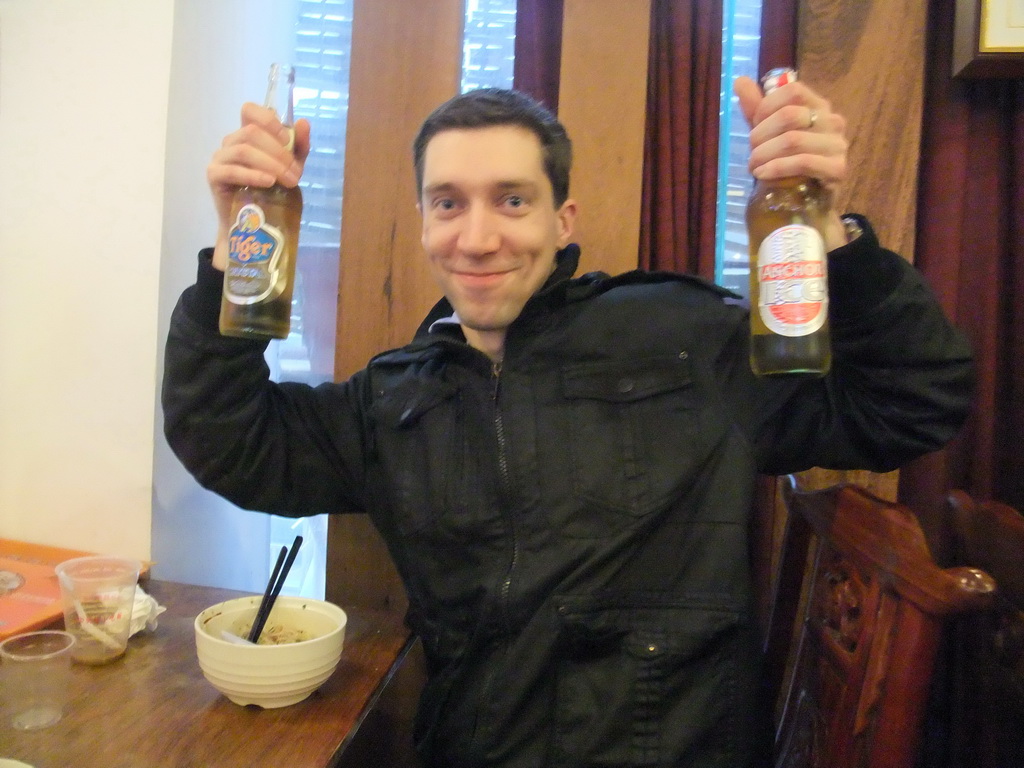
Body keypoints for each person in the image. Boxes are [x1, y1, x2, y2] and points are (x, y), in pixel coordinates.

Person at [163, 80, 973, 767]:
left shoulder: (689, 341)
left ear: (564, 219)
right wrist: (236, 255)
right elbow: (233, 441)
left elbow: (911, 402)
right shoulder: (393, 398)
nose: (478, 237)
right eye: (450, 203)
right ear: (423, 223)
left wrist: (831, 236)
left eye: (512, 200)